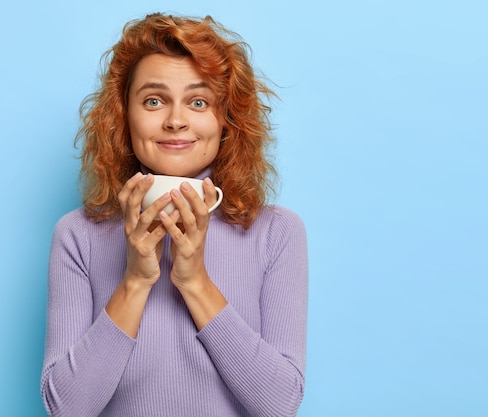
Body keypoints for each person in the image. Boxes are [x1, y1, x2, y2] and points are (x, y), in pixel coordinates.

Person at [40, 13, 308, 417]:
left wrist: (194, 281)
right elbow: (67, 408)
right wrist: (135, 280)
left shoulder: (276, 232)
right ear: (122, 115)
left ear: (226, 120)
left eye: (198, 101)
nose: (176, 120)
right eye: (153, 100)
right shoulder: (78, 235)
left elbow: (279, 404)